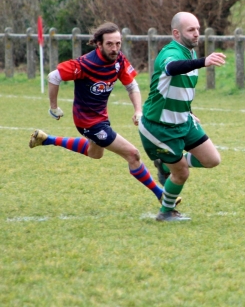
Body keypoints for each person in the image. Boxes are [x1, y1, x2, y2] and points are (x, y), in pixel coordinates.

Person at [28, 22, 173, 206]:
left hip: (100, 118)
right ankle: (161, 195)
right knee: (133, 154)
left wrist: (138, 110)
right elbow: (53, 76)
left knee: (95, 153)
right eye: (110, 44)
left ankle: (46, 139)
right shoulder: (86, 64)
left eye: (118, 44)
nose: (115, 49)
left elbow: (131, 85)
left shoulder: (119, 60)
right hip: (88, 121)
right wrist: (53, 107)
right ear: (99, 44)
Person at [139, 12, 226, 222]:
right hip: (159, 126)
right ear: (176, 33)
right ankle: (166, 212)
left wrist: (189, 111)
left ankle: (166, 163)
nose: (197, 34)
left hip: (183, 122)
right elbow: (171, 68)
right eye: (191, 30)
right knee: (182, 173)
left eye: (198, 29)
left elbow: (180, 90)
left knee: (212, 160)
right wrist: (204, 61)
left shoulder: (189, 54)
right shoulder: (170, 52)